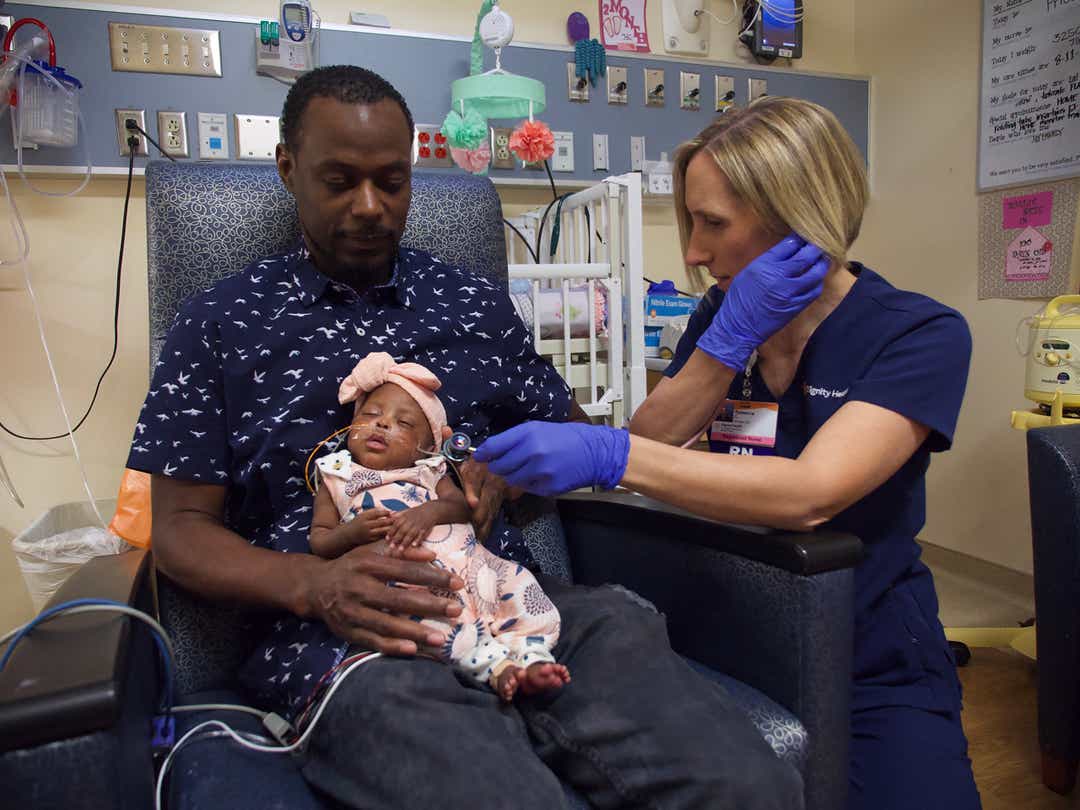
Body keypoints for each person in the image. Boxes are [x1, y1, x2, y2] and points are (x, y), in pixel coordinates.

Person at [128, 65, 803, 809]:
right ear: (288, 168)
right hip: (355, 641)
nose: (370, 206)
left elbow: (575, 441)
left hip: (517, 606)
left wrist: (508, 474)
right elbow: (180, 533)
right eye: (340, 180)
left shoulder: (471, 302)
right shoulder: (220, 324)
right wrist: (311, 584)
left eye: (392, 181)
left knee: (749, 786)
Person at [475, 97, 982, 810]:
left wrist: (606, 454)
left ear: (800, 221)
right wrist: (727, 341)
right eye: (691, 221)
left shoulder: (917, 334)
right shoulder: (723, 313)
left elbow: (810, 495)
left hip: (867, 650)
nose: (691, 252)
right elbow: (656, 436)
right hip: (725, 623)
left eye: (713, 224)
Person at [310, 352, 570, 701]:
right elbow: (321, 540)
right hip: (413, 582)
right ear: (352, 424)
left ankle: (532, 654)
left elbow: (460, 506)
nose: (383, 424)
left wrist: (428, 513)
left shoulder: (428, 471)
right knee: (429, 624)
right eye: (372, 414)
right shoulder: (338, 476)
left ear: (427, 447)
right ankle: (494, 668)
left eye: (404, 424)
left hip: (477, 567)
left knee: (522, 583)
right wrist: (352, 533)